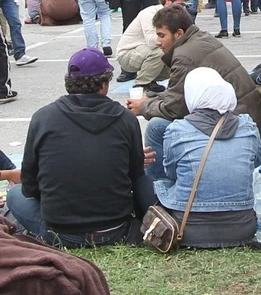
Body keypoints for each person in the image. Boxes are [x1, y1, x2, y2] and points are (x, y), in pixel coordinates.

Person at [9, 48, 154, 247]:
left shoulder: (43, 118)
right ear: (104, 83)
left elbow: (29, 184)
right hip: (116, 228)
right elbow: (134, 176)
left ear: (69, 81)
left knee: (15, 195)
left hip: (61, 231)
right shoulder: (126, 119)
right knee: (145, 180)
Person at [145, 67, 261, 248]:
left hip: (188, 229)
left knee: (160, 181)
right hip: (242, 229)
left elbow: (171, 172)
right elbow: (257, 162)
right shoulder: (247, 126)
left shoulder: (178, 130)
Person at [136, 5, 261, 131]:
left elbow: (174, 109)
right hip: (250, 117)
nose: (157, 42)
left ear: (179, 34)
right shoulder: (201, 37)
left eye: (161, 35)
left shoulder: (184, 56)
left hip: (236, 124)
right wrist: (152, 98)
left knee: (157, 126)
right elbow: (178, 94)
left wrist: (142, 106)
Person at [114, 0, 190, 86]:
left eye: (184, 6)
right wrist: (174, 38)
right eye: (179, 5)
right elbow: (151, 41)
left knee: (178, 58)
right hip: (127, 53)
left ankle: (151, 80)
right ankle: (141, 84)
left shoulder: (174, 16)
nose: (181, 8)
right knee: (160, 52)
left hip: (144, 52)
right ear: (168, 1)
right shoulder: (149, 13)